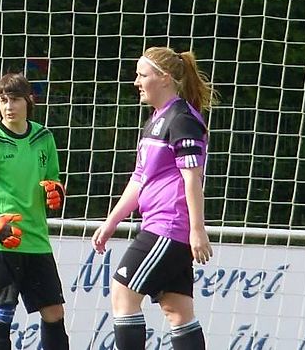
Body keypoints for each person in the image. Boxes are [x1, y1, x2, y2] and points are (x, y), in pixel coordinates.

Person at [91, 46, 217, 350]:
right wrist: (110, 223)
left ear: (164, 78)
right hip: (162, 226)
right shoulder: (157, 119)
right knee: (178, 311)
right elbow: (139, 179)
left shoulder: (182, 119)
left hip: (168, 227)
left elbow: (192, 179)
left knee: (123, 292)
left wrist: (197, 230)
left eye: (142, 75)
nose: (136, 82)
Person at [0, 73, 71, 350]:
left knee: (54, 311)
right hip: (1, 239)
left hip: (36, 239)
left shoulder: (44, 137)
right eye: (3, 100)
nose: (8, 106)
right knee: (4, 310)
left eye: (14, 100)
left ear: (29, 101)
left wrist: (56, 192)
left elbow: (53, 180)